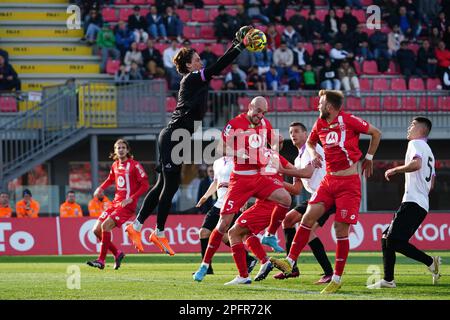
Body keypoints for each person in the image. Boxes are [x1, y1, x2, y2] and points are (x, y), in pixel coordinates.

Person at [125, 26, 256, 255]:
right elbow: (218, 66)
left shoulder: (196, 79)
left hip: (179, 136)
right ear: (188, 65)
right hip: (174, 135)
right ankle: (157, 231)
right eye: (196, 59)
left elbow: (215, 67)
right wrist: (240, 46)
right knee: (169, 186)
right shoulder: (192, 77)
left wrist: (235, 43)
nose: (200, 61)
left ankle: (139, 226)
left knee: (165, 185)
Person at [270, 90, 382, 294]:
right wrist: (313, 154)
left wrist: (369, 157)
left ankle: (336, 277)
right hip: (329, 181)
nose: (317, 106)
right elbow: (311, 142)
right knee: (306, 219)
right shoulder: (319, 124)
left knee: (341, 230)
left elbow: (376, 133)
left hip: (349, 183)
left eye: (320, 103)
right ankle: (289, 261)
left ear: (329, 107)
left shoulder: (349, 120)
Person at [193, 96, 293, 285]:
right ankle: (206, 265)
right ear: (250, 107)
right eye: (258, 111)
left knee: (286, 198)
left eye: (264, 113)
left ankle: (270, 235)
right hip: (240, 180)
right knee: (223, 226)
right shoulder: (235, 123)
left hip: (259, 177)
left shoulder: (265, 124)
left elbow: (273, 142)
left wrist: (274, 146)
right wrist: (239, 153)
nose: (260, 116)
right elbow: (222, 147)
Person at [368, 117, 441, 289]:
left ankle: (430, 262)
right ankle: (388, 280)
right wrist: (420, 191)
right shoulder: (429, 150)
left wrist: (395, 169)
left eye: (412, 125)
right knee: (387, 238)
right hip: (420, 203)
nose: (409, 127)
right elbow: (432, 183)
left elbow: (416, 164)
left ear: (421, 129)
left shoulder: (415, 143)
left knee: (392, 240)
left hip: (413, 202)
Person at [270, 122, 334, 284]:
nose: (293, 134)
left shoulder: (312, 149)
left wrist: (282, 171)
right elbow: (296, 189)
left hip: (327, 195)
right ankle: (292, 268)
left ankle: (328, 273)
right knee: (288, 220)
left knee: (307, 232)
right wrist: (275, 181)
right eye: (291, 132)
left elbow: (307, 172)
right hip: (315, 196)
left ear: (306, 134)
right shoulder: (298, 158)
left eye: (297, 131)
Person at [87, 139, 149, 270]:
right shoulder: (115, 165)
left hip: (127, 206)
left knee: (105, 225)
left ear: (127, 150)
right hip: (115, 203)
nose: (120, 150)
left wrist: (131, 198)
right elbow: (110, 179)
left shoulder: (135, 165)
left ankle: (101, 260)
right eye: (118, 148)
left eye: (123, 147)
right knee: (96, 230)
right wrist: (100, 188)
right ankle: (117, 253)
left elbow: (145, 185)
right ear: (115, 151)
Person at [195, 155, 257, 275]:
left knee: (228, 234)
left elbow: (244, 182)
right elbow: (216, 182)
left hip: (232, 202)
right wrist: (205, 196)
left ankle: (250, 260)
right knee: (206, 232)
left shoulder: (239, 160)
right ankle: (208, 267)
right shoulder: (217, 162)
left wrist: (244, 199)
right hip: (219, 204)